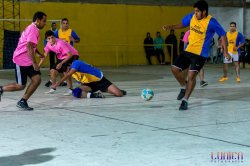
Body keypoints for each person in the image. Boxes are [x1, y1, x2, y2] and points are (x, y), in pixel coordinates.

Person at [162, 0, 230, 110]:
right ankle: (184, 87)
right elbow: (182, 24)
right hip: (188, 50)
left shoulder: (211, 22)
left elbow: (223, 35)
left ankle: (185, 100)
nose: (195, 13)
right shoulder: (192, 17)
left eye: (197, 11)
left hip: (200, 54)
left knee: (191, 76)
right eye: (194, 11)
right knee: (174, 69)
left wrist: (226, 51)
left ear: (204, 12)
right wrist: (171, 27)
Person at [0, 11, 47, 110]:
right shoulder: (33, 29)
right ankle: (1, 89)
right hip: (21, 60)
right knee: (20, 86)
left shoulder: (32, 28)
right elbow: (29, 45)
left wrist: (38, 54)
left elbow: (31, 45)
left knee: (37, 79)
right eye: (44, 21)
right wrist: (35, 63)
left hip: (28, 60)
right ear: (37, 20)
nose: (45, 23)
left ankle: (23, 101)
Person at [51, 60, 127, 98]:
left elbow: (68, 74)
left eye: (67, 69)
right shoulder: (68, 72)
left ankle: (115, 90)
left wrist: (58, 83)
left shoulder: (76, 63)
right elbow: (72, 77)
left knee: (119, 94)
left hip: (99, 80)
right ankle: (95, 95)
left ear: (69, 64)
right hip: (89, 84)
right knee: (76, 92)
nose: (66, 71)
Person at [39, 30, 79, 95]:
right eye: (49, 38)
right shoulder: (48, 45)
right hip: (61, 57)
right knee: (52, 71)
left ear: (54, 37)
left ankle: (71, 89)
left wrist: (61, 63)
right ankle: (53, 88)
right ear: (46, 40)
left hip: (73, 55)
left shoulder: (60, 43)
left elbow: (70, 55)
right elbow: (44, 56)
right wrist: (38, 66)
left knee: (66, 71)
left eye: (52, 37)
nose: (51, 39)